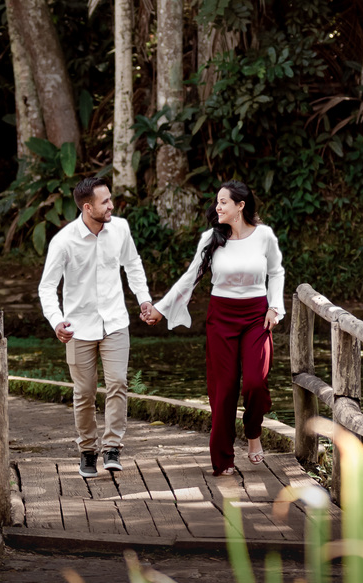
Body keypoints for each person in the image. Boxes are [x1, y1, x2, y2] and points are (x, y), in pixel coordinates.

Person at [143, 181, 286, 476]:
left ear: (240, 206)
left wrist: (275, 307)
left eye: (223, 202)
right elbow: (191, 277)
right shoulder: (212, 238)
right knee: (224, 389)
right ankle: (223, 459)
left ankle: (253, 431)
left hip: (256, 317)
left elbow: (276, 272)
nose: (217, 207)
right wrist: (161, 308)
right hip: (221, 318)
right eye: (217, 202)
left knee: (255, 383)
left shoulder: (264, 236)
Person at [38, 177, 153, 478]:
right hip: (78, 328)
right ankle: (87, 451)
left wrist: (144, 300)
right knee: (85, 391)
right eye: (105, 202)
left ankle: (112, 447)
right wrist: (56, 320)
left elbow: (134, 264)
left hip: (115, 322)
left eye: (110, 199)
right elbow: (47, 288)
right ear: (87, 207)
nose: (111, 205)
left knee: (117, 383)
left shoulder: (121, 229)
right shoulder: (63, 242)